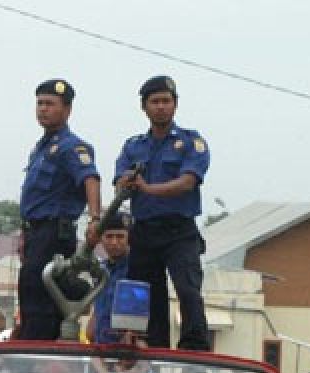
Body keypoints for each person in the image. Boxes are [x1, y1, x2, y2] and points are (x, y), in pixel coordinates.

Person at [115, 76, 211, 351]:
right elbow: (120, 180)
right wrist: (126, 182)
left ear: (175, 104)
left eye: (166, 101)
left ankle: (194, 351)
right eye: (154, 102)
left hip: (179, 231)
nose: (161, 107)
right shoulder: (133, 146)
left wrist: (147, 188)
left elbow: (188, 182)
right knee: (146, 298)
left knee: (188, 291)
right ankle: (153, 349)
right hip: (144, 232)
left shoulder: (191, 142)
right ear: (144, 107)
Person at [18, 79, 102, 341]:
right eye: (40, 103)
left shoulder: (72, 146)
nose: (43, 109)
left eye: (50, 104)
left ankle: (36, 349)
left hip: (55, 231)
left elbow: (91, 179)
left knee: (38, 288)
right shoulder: (41, 148)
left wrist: (95, 219)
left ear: (67, 110)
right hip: (35, 232)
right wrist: (24, 234)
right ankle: (34, 342)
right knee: (31, 291)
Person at [87, 213, 132, 344]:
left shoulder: (138, 269)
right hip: (100, 349)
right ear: (101, 238)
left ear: (129, 238)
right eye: (109, 236)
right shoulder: (100, 270)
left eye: (120, 236)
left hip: (128, 351)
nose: (114, 242)